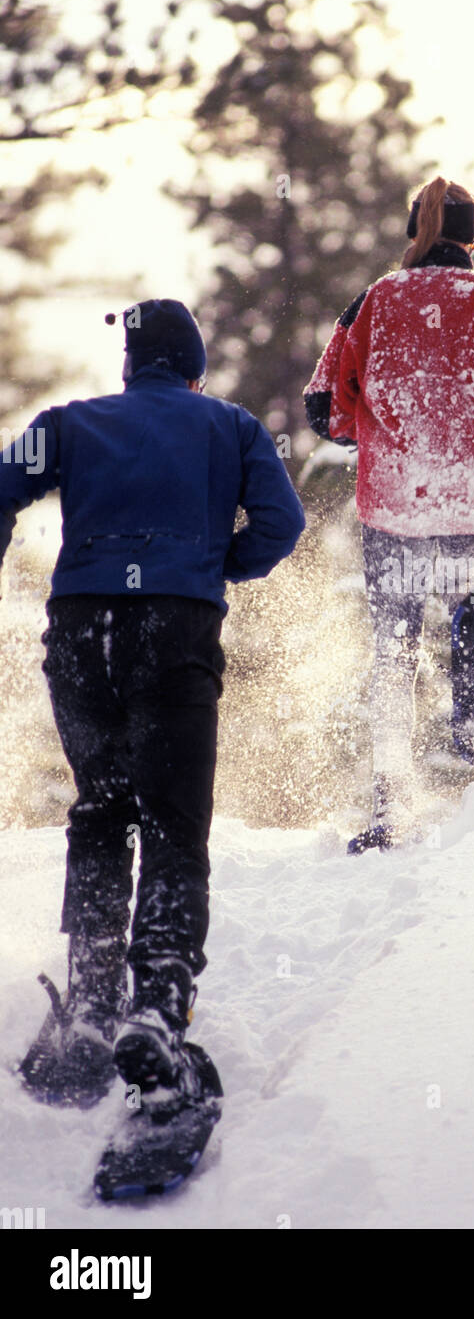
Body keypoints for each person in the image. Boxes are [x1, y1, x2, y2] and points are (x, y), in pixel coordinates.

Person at [0, 299, 305, 1106]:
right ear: (195, 368)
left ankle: (93, 1000)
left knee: (100, 809)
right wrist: (214, 566)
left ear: (129, 369)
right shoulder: (231, 427)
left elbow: (0, 484)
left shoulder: (71, 423)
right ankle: (158, 1007)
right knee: (174, 823)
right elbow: (282, 521)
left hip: (80, 631)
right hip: (176, 629)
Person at [302, 177, 474, 849]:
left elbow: (322, 408)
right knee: (467, 595)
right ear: (470, 239)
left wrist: (374, 429)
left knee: (393, 649)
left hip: (392, 504)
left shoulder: (372, 302)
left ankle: (390, 805)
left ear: (410, 235)